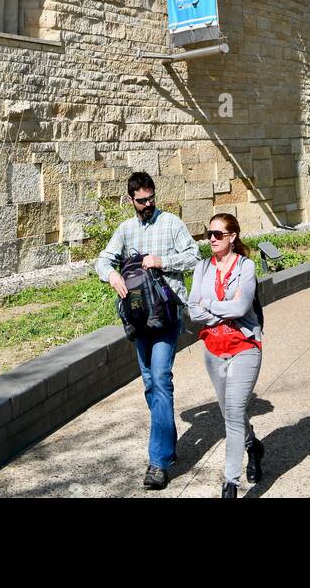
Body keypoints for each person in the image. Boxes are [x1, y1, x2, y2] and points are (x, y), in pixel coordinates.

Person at [96, 171, 199, 490]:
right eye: (141, 200)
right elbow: (102, 259)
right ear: (130, 200)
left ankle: (158, 462)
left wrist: (161, 261)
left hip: (167, 316)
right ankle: (168, 442)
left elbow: (194, 257)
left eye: (151, 197)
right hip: (139, 319)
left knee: (161, 379)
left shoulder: (171, 224)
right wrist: (111, 276)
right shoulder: (125, 230)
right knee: (151, 384)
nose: (148, 204)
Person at [188, 212, 264, 498]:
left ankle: (230, 483)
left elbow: (241, 308)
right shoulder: (202, 268)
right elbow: (192, 309)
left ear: (232, 237)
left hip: (244, 346)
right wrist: (218, 305)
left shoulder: (246, 267)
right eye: (209, 234)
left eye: (218, 234)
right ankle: (253, 446)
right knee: (229, 411)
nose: (212, 239)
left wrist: (208, 304)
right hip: (213, 349)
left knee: (232, 413)